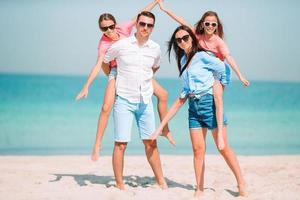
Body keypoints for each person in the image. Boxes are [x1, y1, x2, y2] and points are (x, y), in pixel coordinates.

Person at [151, 25, 246, 197]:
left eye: (185, 38)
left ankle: (241, 182)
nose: (182, 42)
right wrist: (161, 127)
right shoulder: (182, 61)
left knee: (223, 148)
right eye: (178, 40)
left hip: (210, 105)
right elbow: (182, 97)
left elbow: (224, 69)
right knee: (197, 150)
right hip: (193, 107)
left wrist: (220, 86)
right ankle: (199, 188)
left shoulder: (203, 56)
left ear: (192, 38)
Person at [75, 0, 175, 162]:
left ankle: (165, 130)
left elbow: (140, 16)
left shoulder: (124, 28)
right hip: (117, 71)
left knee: (163, 94)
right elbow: (99, 65)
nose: (108, 30)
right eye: (104, 28)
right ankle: (97, 144)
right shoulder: (103, 43)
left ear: (115, 24)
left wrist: (155, 2)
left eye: (110, 26)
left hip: (136, 69)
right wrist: (86, 86)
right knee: (106, 107)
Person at [158, 1, 249, 150]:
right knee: (212, 101)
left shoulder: (218, 41)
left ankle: (219, 134)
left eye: (214, 24)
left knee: (218, 99)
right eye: (208, 24)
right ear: (203, 24)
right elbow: (182, 21)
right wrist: (165, 9)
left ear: (217, 26)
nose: (210, 27)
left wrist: (240, 76)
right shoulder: (198, 35)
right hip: (205, 72)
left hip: (218, 73)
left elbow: (229, 57)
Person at [103, 11, 168, 190]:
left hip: (145, 100)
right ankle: (119, 184)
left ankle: (161, 181)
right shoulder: (121, 45)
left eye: (149, 25)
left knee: (151, 142)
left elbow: (155, 67)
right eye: (142, 24)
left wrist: (144, 80)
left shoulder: (155, 48)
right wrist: (112, 78)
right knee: (120, 144)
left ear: (153, 28)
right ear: (137, 24)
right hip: (124, 100)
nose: (145, 28)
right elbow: (105, 60)